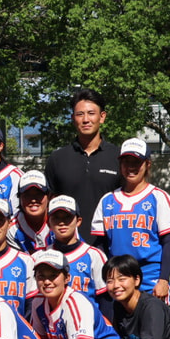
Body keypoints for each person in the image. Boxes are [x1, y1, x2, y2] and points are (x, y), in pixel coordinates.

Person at [90, 139, 170, 301]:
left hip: (150, 276)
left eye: (136, 162)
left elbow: (169, 242)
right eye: (126, 162)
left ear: (147, 164)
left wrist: (163, 280)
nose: (131, 167)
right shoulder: (108, 200)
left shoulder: (158, 197)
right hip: (119, 277)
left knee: (155, 324)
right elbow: (100, 246)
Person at [44, 89, 121, 240]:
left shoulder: (118, 157)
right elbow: (47, 204)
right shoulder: (57, 158)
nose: (86, 120)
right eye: (80, 114)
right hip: (68, 249)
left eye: (91, 113)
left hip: (109, 247)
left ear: (102, 117)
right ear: (73, 118)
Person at [45, 196, 110, 314]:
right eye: (56, 218)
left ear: (78, 221)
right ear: (48, 223)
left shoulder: (94, 255)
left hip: (90, 325)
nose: (61, 223)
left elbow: (105, 299)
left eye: (67, 217)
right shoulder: (41, 256)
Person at [11, 170, 51, 253]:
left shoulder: (63, 220)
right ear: (19, 198)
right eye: (27, 195)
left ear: (48, 196)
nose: (33, 200)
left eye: (38, 194)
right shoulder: (12, 229)